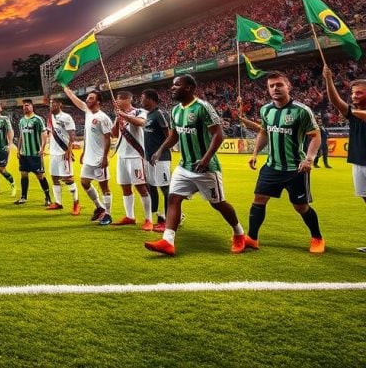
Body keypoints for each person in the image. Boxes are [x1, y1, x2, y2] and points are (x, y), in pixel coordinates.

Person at [144, 75, 246, 257]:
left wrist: (206, 159)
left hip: (206, 168)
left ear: (189, 88)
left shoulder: (203, 107)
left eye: (177, 85)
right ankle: (168, 241)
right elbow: (174, 135)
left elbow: (218, 135)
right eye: (172, 85)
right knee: (173, 198)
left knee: (218, 204)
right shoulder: (175, 110)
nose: (172, 88)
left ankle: (239, 233)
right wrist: (160, 150)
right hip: (184, 167)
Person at [245, 72, 323, 253]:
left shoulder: (301, 110)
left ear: (288, 87)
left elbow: (315, 136)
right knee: (259, 199)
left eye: (279, 85)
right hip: (272, 166)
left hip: (295, 168)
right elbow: (264, 132)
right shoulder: (266, 110)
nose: (275, 88)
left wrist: (309, 159)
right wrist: (255, 153)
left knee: (300, 207)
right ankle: (252, 238)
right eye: (271, 86)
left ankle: (317, 238)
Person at [321, 66, 366, 252]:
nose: (354, 96)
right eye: (353, 93)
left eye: (359, 93)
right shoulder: (354, 113)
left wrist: (348, 110)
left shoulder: (355, 113)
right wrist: (328, 79)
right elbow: (335, 101)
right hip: (358, 162)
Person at [62, 85, 114, 225]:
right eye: (87, 98)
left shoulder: (103, 118)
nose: (87, 100)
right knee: (84, 182)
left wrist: (105, 157)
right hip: (89, 158)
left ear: (98, 102)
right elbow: (74, 98)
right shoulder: (88, 112)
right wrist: (65, 86)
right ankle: (99, 207)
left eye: (91, 98)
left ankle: (108, 215)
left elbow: (108, 138)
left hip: (99, 159)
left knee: (104, 187)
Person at [111, 91, 154, 230]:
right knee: (125, 187)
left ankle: (148, 219)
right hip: (122, 155)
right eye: (117, 99)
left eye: (120, 99)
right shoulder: (119, 114)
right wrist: (118, 119)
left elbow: (141, 123)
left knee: (141, 187)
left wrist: (124, 115)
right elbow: (114, 133)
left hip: (135, 155)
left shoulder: (139, 111)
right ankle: (130, 216)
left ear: (129, 99)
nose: (117, 101)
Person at [140, 89, 172, 231]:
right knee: (152, 186)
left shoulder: (159, 114)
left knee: (165, 188)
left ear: (151, 99)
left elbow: (169, 136)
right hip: (149, 159)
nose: (141, 100)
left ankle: (168, 220)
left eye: (143, 98)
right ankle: (159, 216)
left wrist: (159, 152)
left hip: (161, 159)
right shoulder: (149, 115)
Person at [46, 98, 79, 214]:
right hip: (53, 153)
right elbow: (49, 133)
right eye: (50, 103)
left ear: (60, 104)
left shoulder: (66, 117)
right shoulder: (50, 118)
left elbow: (72, 134)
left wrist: (69, 150)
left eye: (54, 103)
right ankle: (58, 203)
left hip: (63, 152)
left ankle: (76, 203)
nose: (52, 105)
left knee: (68, 178)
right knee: (54, 177)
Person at [15, 100, 49, 205]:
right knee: (23, 174)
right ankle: (23, 197)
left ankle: (48, 198)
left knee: (40, 175)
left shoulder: (38, 119)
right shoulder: (21, 121)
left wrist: (42, 148)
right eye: (23, 106)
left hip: (35, 154)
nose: (25, 107)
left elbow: (44, 134)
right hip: (24, 154)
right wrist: (18, 149)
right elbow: (21, 136)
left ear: (32, 106)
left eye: (27, 105)